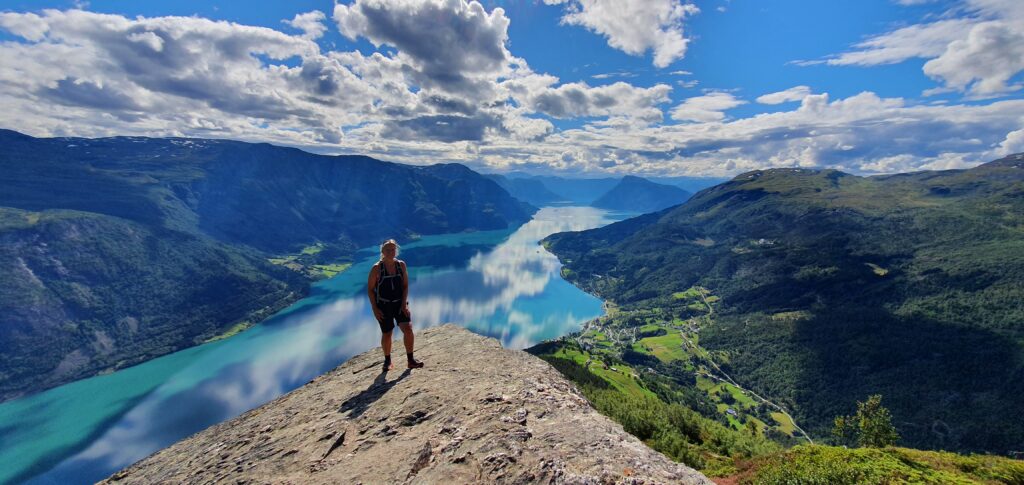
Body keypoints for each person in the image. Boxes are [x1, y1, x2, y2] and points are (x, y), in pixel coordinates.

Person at [367, 239, 424, 371]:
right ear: (382, 251)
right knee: (387, 333)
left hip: (399, 304)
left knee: (408, 329)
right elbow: (370, 290)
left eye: (393, 249)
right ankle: (387, 361)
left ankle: (411, 360)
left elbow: (405, 286)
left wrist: (404, 304)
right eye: (388, 250)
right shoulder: (377, 268)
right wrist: (375, 309)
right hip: (384, 306)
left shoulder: (401, 265)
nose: (391, 252)